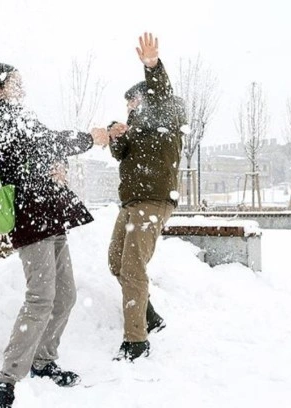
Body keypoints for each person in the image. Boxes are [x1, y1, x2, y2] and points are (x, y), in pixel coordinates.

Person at [0, 63, 109, 408]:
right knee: (41, 298)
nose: (22, 88)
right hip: (30, 216)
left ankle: (43, 361)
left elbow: (42, 150)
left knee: (65, 295)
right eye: (15, 83)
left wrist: (60, 167)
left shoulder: (15, 113)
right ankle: (3, 381)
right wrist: (89, 139)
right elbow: (45, 142)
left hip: (49, 213)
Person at [106, 33, 185, 362]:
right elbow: (119, 153)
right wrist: (115, 133)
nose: (130, 108)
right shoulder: (135, 129)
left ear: (146, 99)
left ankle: (136, 341)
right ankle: (149, 315)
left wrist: (152, 66)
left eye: (133, 102)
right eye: (127, 105)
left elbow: (162, 94)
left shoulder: (166, 116)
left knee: (133, 268)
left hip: (153, 202)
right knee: (116, 262)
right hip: (132, 203)